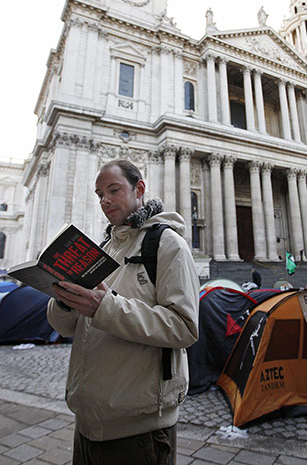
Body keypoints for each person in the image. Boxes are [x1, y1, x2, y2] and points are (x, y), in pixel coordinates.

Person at [47, 159, 199, 465]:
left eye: (113, 190)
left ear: (139, 188)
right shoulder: (102, 249)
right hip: (88, 424)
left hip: (138, 430)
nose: (105, 200)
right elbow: (68, 328)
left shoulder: (168, 245)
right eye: (99, 193)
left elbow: (184, 328)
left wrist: (105, 307)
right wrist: (64, 302)